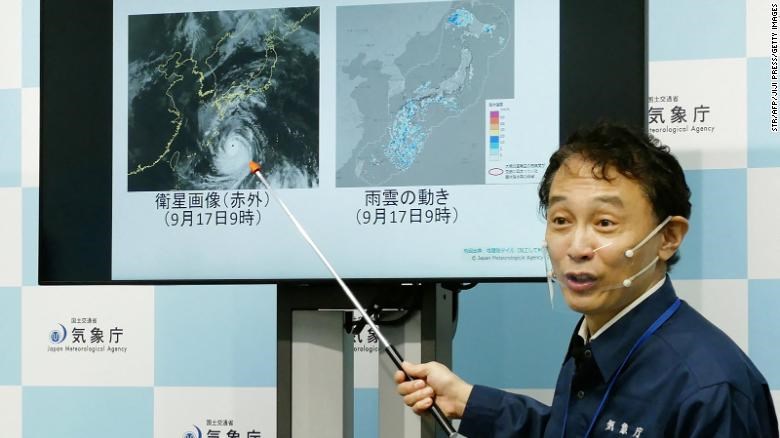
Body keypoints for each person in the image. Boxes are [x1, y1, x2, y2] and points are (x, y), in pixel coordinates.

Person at [395, 122, 779, 437]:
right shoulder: (595, 334)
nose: (576, 247)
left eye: (604, 223)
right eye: (561, 221)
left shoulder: (710, 388)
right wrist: (469, 401)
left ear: (668, 237)